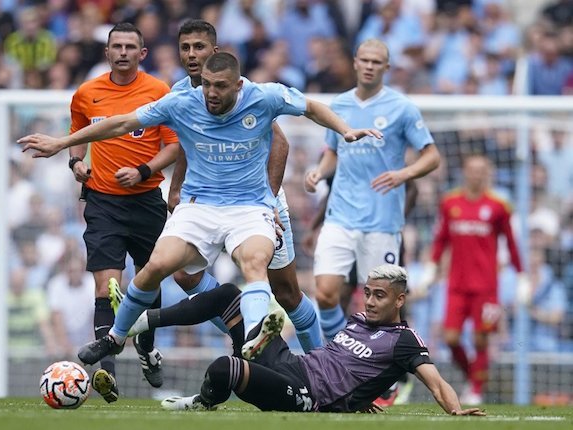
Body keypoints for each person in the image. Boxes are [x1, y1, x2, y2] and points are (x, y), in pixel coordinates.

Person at [19, 51, 381, 369]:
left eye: (219, 86)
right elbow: (123, 122)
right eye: (206, 85)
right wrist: (63, 142)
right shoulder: (182, 102)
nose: (210, 93)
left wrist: (345, 130)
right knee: (157, 266)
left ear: (238, 85)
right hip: (199, 207)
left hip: (249, 207)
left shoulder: (264, 96)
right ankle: (115, 337)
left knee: (256, 265)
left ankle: (255, 336)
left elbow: (312, 108)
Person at [170, 19, 323, 351]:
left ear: (216, 51)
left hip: (257, 202)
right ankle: (249, 331)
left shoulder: (244, 92)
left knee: (287, 292)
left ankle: (323, 365)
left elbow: (280, 144)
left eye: (199, 47)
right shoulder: (181, 94)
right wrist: (175, 189)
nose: (192, 54)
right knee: (184, 275)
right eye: (186, 47)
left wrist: (266, 202)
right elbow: (188, 143)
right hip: (207, 203)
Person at [160, 264, 485, 416]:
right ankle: (148, 322)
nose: (369, 302)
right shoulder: (358, 320)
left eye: (379, 296)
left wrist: (455, 411)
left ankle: (203, 401)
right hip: (294, 364)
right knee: (230, 295)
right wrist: (358, 399)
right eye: (368, 294)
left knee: (223, 369)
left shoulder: (405, 340)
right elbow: (347, 368)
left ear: (399, 301)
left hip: (306, 395)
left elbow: (436, 382)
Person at [66, 22, 180, 403]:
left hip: (147, 199)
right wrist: (76, 162)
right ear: (107, 51)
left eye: (131, 46)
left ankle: (147, 350)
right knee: (104, 286)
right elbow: (77, 135)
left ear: (142, 53)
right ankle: (106, 371)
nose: (124, 52)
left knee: (149, 282)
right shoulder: (86, 93)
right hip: (102, 201)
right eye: (117, 46)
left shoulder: (159, 92)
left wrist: (144, 171)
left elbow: (174, 146)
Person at [304, 38, 440, 341]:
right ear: (355, 62)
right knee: (325, 294)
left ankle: (385, 379)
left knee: (383, 306)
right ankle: (341, 356)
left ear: (386, 68)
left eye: (376, 62)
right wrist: (317, 171)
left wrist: (403, 174)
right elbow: (333, 152)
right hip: (340, 216)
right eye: (364, 60)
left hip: (382, 223)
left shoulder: (402, 108)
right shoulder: (338, 105)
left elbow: (432, 156)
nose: (369, 66)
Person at [418, 153, 527, 405]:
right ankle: (475, 377)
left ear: (488, 173)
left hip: (487, 287)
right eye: (472, 169)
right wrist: (431, 267)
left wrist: (521, 276)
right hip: (456, 284)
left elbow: (511, 243)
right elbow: (441, 239)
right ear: (464, 172)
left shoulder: (499, 206)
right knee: (451, 338)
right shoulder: (450, 202)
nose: (476, 174)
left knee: (481, 338)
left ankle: (476, 390)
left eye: (481, 170)